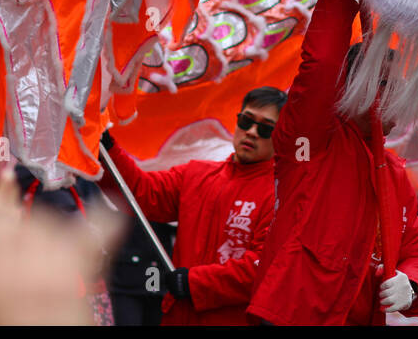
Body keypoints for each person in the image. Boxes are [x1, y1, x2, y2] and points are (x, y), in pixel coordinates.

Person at [247, 0, 418, 325]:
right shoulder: (312, 141)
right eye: (382, 83)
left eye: (396, 84)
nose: (395, 93)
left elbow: (416, 250)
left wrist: (413, 284)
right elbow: (319, 66)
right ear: (347, 86)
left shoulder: (394, 174)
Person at [99, 86, 285, 325]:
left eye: (266, 128)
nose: (251, 132)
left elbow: (263, 267)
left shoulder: (281, 195)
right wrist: (105, 148)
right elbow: (140, 193)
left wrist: (194, 282)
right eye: (246, 120)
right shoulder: (196, 174)